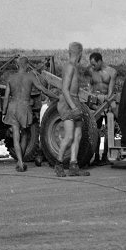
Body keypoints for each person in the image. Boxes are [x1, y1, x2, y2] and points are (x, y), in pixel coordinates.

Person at [2, 56, 53, 172]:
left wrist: (4, 112)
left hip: (12, 106)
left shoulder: (11, 78)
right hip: (24, 107)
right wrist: (54, 96)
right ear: (27, 65)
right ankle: (21, 160)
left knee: (16, 135)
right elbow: (42, 88)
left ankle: (20, 161)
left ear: (17, 65)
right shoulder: (30, 76)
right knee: (25, 134)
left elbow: (6, 97)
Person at [55, 42, 90, 177]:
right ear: (80, 53)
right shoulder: (70, 67)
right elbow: (64, 89)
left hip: (74, 101)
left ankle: (73, 165)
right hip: (68, 102)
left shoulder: (74, 66)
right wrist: (74, 107)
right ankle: (58, 164)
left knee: (78, 135)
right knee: (69, 136)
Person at [88, 52, 119, 166]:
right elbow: (90, 86)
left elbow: (110, 90)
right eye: (91, 64)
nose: (92, 66)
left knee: (108, 130)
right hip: (95, 101)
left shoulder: (112, 72)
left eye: (94, 64)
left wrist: (107, 103)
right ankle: (96, 156)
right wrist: (91, 99)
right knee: (95, 129)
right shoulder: (92, 71)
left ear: (100, 61)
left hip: (107, 100)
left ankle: (105, 155)